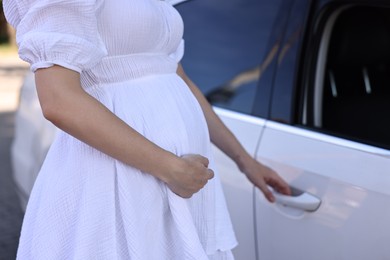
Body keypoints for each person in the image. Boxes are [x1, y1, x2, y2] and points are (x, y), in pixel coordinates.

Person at [4, 0, 291, 259]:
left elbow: (175, 75)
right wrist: (170, 168)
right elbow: (58, 100)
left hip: (175, 181)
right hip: (118, 178)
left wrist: (244, 160)